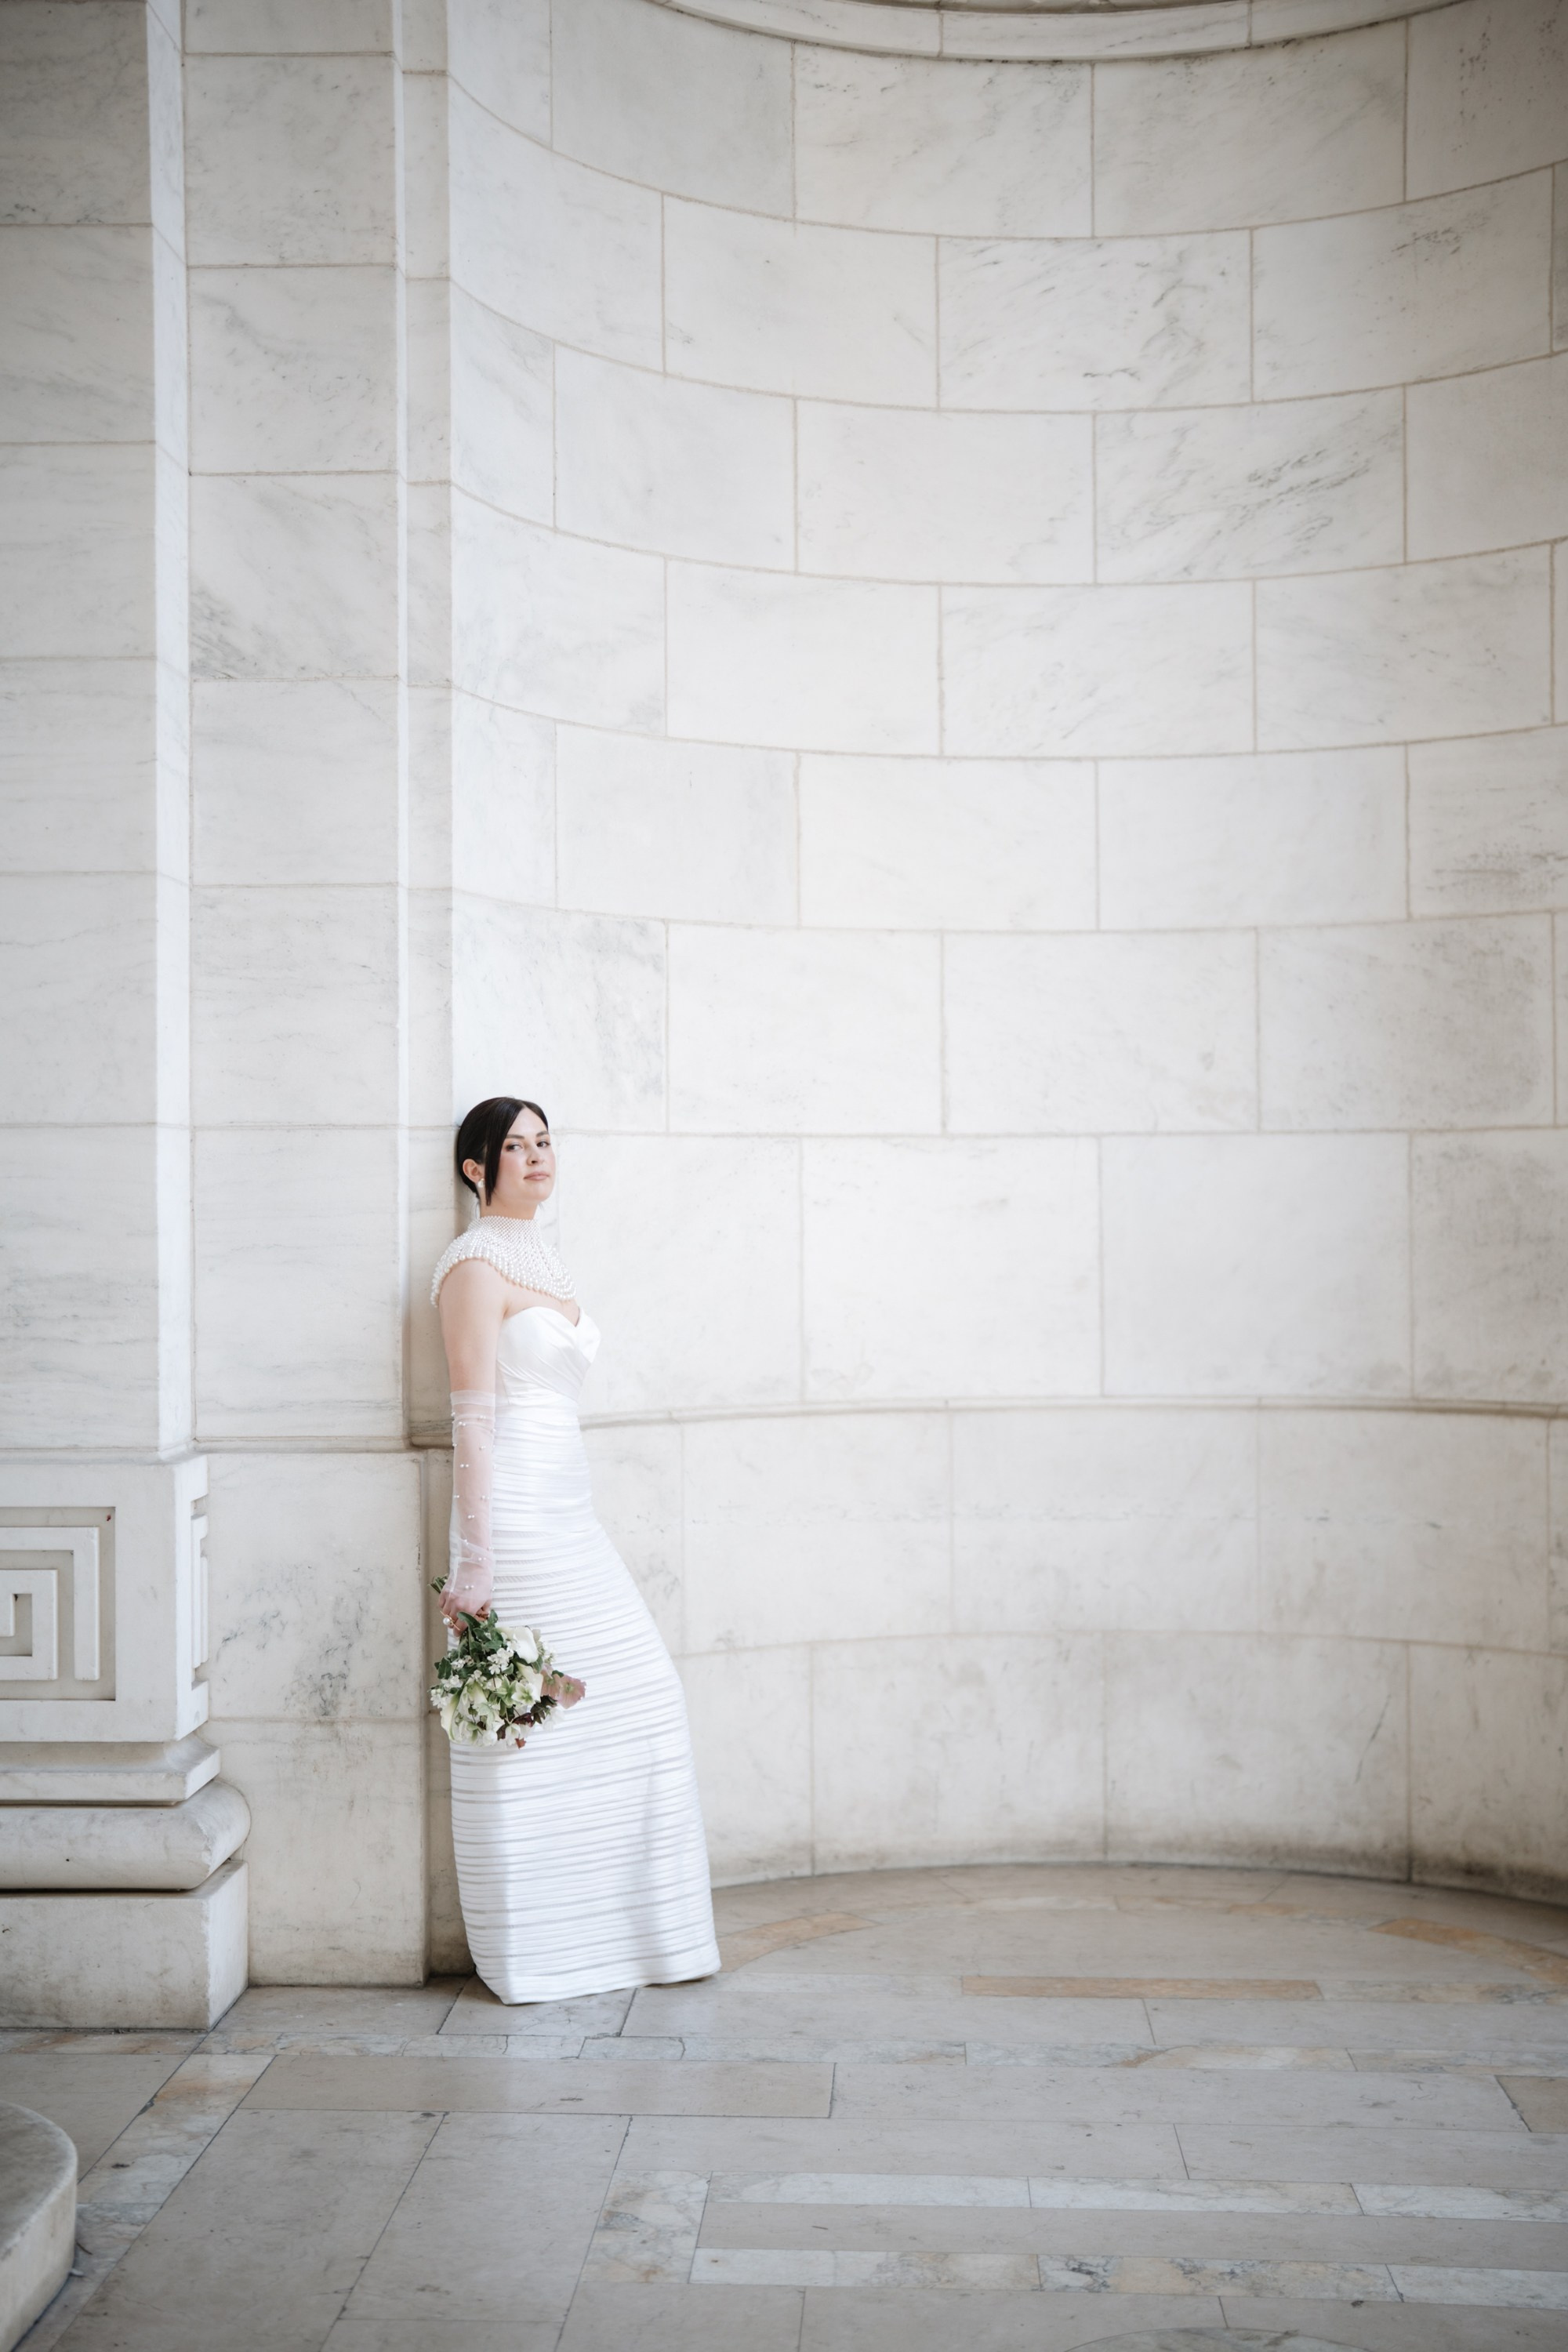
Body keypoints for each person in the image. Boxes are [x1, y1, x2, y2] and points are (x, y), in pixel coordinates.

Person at [432, 1094, 720, 2002]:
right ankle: (541, 1953)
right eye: (514, 1147)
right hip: (511, 1516)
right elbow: (472, 1417)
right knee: (529, 1725)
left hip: (569, 1510)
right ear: (476, 1168)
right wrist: (476, 1561)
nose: (535, 1157)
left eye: (544, 1142)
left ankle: (634, 1939)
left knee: (638, 1705)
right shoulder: (473, 1267)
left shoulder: (539, 1255)